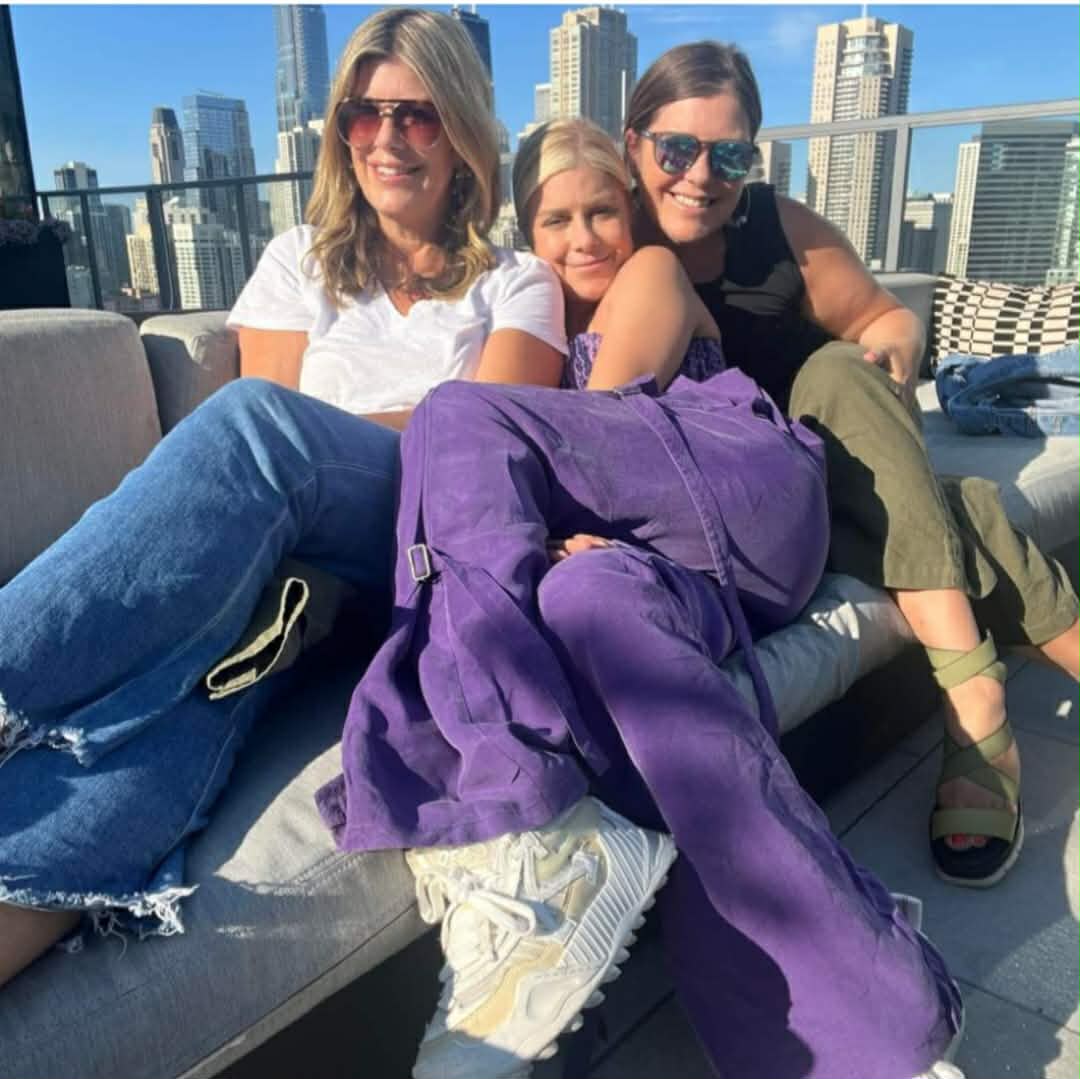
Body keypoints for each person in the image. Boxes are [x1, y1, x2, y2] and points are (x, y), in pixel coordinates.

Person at [317, 117, 964, 1079]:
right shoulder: (534, 335)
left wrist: (537, 505)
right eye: (555, 221)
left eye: (601, 211)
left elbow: (609, 415)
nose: (583, 238)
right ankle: (865, 1029)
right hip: (692, 575)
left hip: (753, 489)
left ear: (632, 210)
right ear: (523, 236)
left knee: (454, 418)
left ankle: (516, 809)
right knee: (588, 603)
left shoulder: (648, 277)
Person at [0, 7, 569, 990]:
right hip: (301, 588)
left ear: (466, 131)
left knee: (267, 426)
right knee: (191, 696)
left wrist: (387, 420)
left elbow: (476, 441)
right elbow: (259, 456)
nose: (388, 137)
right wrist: (417, 406)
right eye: (364, 113)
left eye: (419, 115)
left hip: (423, 540)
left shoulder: (517, 283)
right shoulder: (298, 261)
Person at [622, 41, 1080, 888]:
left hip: (843, 442)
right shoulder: (607, 244)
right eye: (676, 149)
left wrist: (892, 362)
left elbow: (887, 319)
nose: (701, 175)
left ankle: (973, 701)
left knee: (838, 367)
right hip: (749, 490)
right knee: (966, 507)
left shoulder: (776, 227)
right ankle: (990, 704)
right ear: (633, 144)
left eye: (729, 153)